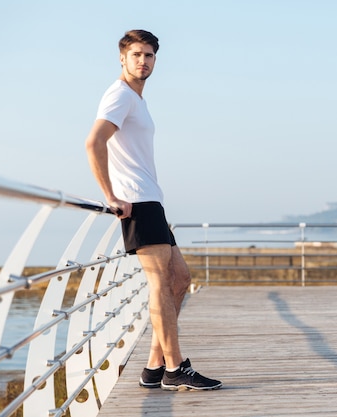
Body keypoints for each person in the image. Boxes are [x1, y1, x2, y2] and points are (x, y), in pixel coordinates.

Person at [85, 29, 222, 391]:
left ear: (155, 60)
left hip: (150, 199)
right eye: (136, 55)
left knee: (180, 279)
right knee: (161, 281)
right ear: (122, 58)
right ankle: (176, 368)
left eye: (148, 55)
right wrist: (110, 195)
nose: (142, 61)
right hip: (135, 202)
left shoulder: (135, 98)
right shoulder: (119, 96)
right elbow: (93, 142)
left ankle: (153, 366)